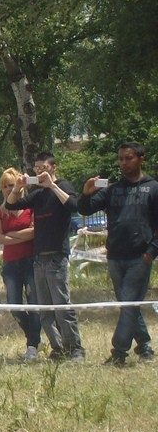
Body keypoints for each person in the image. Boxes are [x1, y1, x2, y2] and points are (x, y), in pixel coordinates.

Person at [77, 142, 158, 366]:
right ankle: (145, 347)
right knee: (128, 304)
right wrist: (86, 192)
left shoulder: (153, 188)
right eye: (121, 159)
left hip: (140, 257)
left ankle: (119, 352)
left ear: (141, 158)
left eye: (128, 158)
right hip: (114, 258)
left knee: (128, 303)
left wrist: (151, 252)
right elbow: (84, 209)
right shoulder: (112, 189)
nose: (123, 163)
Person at [4, 152, 84, 362]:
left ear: (53, 167)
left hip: (57, 255)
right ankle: (58, 348)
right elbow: (11, 205)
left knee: (61, 305)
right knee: (45, 309)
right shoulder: (38, 194)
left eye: (43, 167)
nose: (40, 171)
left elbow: (73, 206)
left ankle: (75, 348)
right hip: (39, 257)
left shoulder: (63, 186)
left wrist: (52, 186)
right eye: (37, 168)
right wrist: (17, 188)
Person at [0, 168, 41, 362]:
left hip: (30, 261)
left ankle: (32, 346)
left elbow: (35, 232)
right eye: (4, 186)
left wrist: (10, 236)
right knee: (14, 306)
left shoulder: (31, 208)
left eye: (11, 185)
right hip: (10, 264)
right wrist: (21, 235)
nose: (7, 189)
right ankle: (33, 336)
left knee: (35, 305)